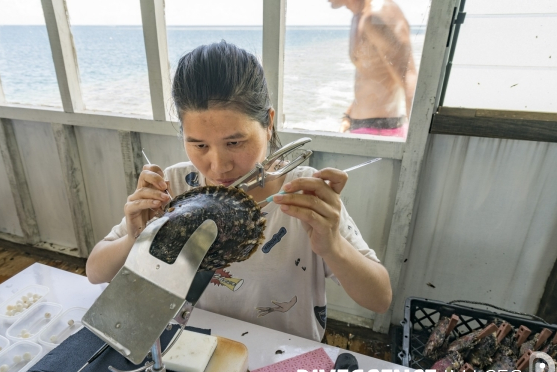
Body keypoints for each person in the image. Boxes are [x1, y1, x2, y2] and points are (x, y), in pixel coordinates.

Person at [86, 41, 392, 342]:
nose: (218, 167)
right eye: (199, 144)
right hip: (193, 349)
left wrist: (333, 246)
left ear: (268, 124)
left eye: (235, 143)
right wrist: (134, 238)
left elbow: (379, 298)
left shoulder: (305, 196)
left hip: (282, 356)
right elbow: (95, 272)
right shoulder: (174, 187)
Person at [329, 0, 418, 138]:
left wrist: (415, 141)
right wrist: (348, 117)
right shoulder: (358, 16)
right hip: (362, 128)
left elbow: (409, 78)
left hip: (382, 133)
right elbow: (372, 74)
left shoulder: (379, 13)